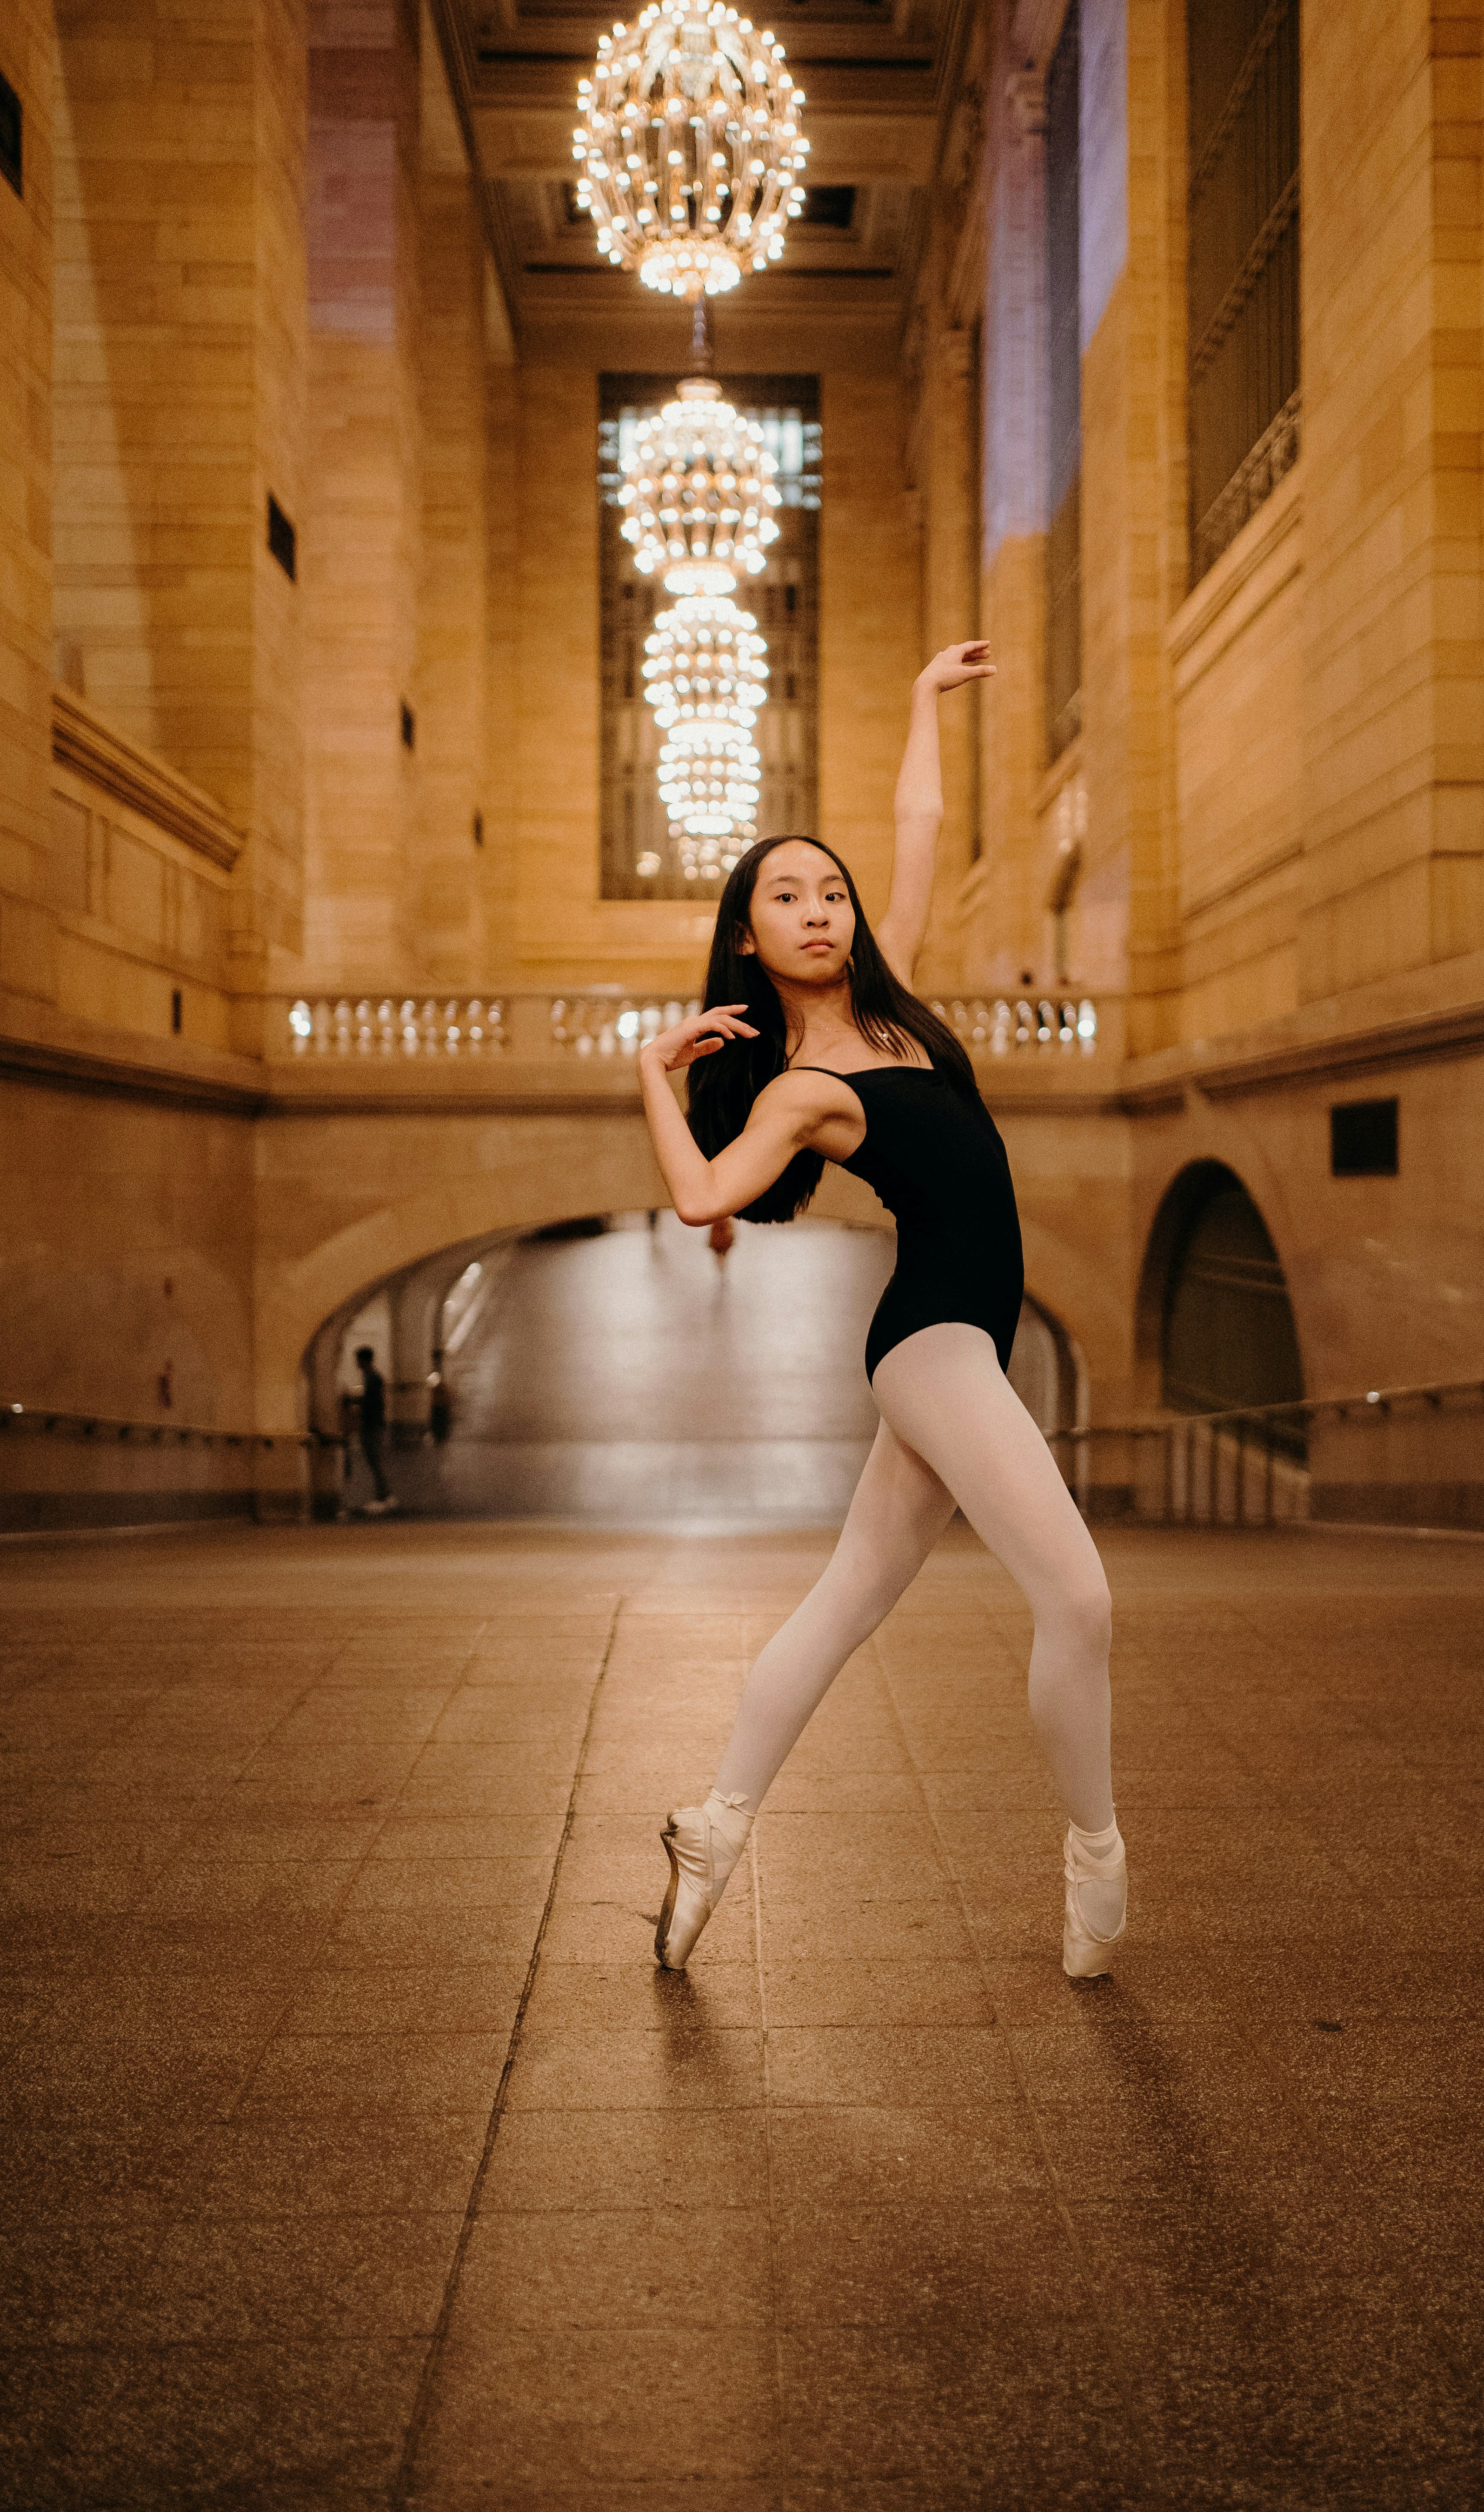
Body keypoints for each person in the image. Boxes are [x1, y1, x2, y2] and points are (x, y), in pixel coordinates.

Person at [636, 639, 1126, 1980]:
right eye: (786, 897)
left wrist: (918, 700)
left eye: (832, 892)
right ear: (747, 937)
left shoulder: (896, 1005)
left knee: (844, 1602)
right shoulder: (804, 1086)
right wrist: (649, 1075)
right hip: (931, 1343)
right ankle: (1094, 1853)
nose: (821, 911)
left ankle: (714, 1823)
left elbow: (918, 827)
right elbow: (701, 1195)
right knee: (1079, 1597)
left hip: (959, 1337)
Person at [350, 1345, 398, 1517]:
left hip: (372, 1425)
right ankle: (384, 1496)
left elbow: (370, 1402)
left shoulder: (373, 1378)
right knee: (374, 1461)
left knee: (374, 1460)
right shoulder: (371, 1376)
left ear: (364, 1360)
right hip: (373, 1424)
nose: (356, 1363)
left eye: (358, 1360)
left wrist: (354, 1401)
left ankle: (384, 1496)